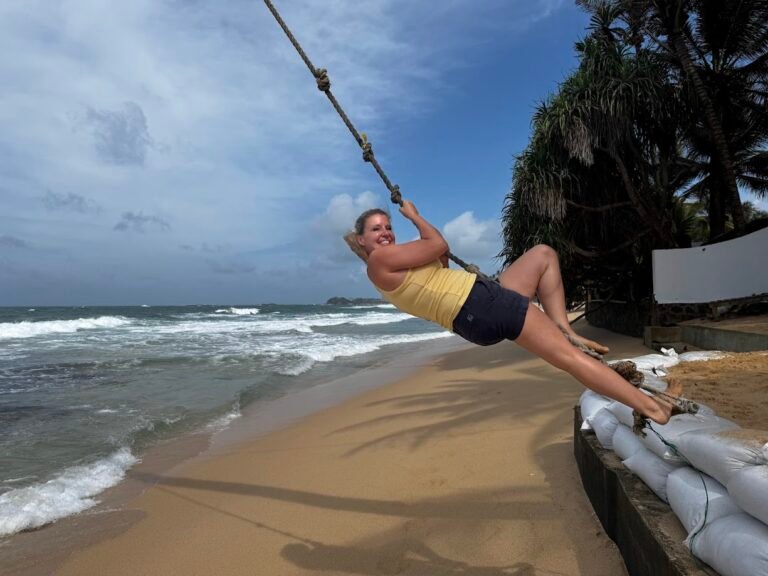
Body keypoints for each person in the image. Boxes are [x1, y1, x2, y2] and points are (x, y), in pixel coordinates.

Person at [344, 201, 680, 425]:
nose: (386, 232)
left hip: (478, 307)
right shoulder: (379, 261)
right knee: (573, 360)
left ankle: (564, 327)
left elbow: (439, 261)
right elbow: (438, 243)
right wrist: (413, 215)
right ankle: (654, 408)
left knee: (543, 255)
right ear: (362, 241)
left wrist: (428, 242)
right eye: (376, 229)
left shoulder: (391, 266)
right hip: (480, 305)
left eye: (388, 226)